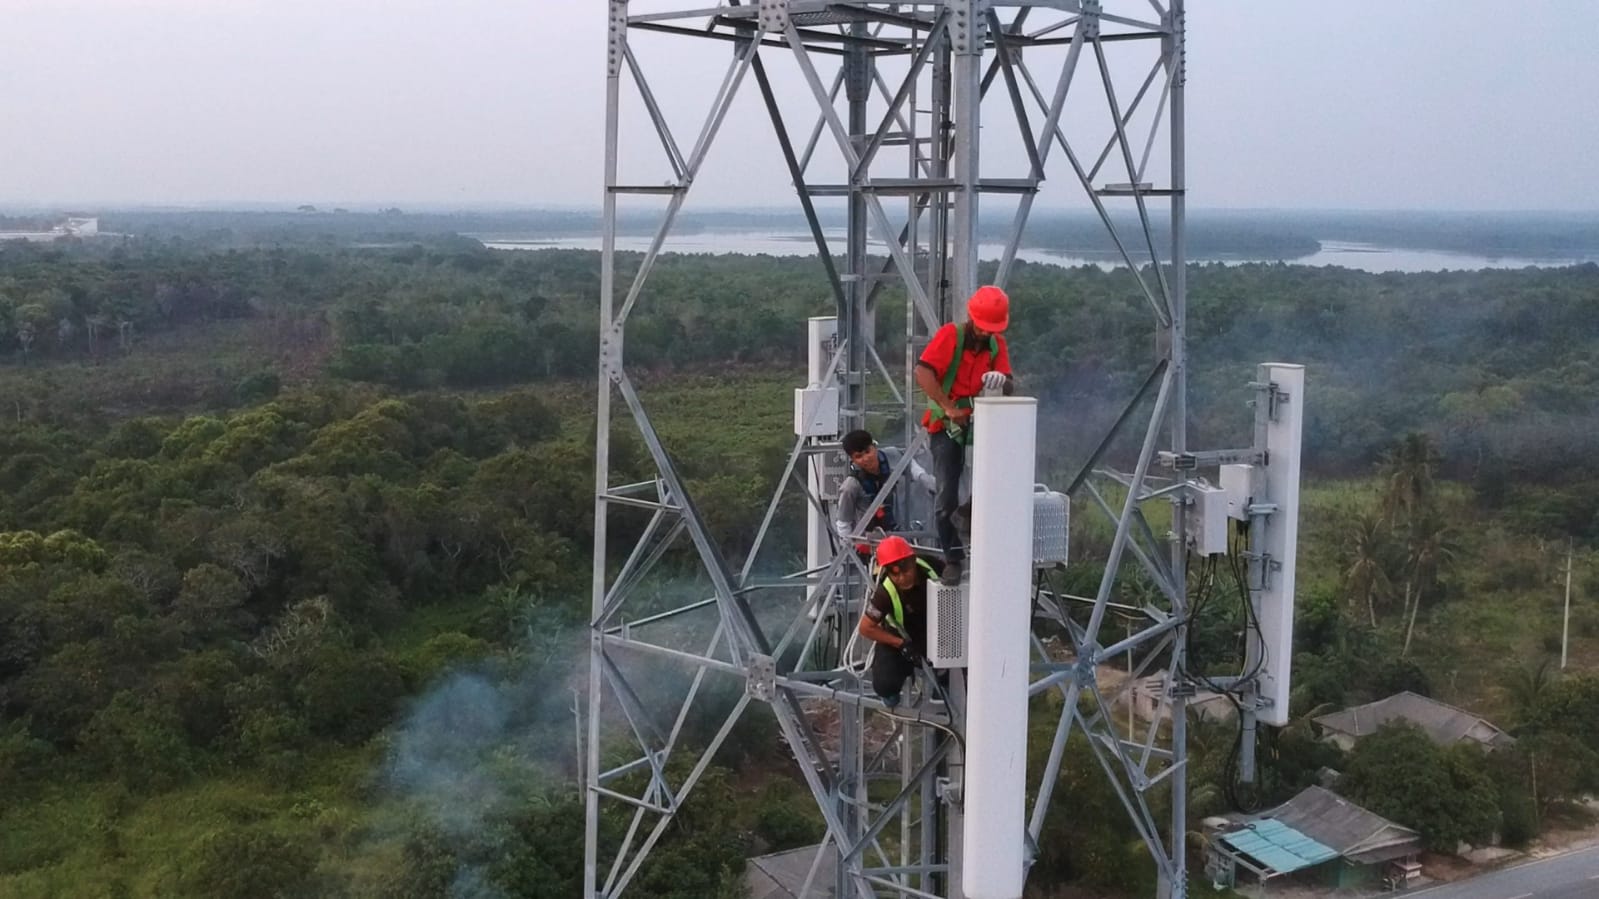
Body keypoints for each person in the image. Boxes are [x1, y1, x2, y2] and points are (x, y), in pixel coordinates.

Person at [914, 285, 1014, 586]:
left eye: (991, 329)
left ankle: (967, 513)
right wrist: (947, 406)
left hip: (980, 421)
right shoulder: (951, 337)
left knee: (997, 477)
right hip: (946, 424)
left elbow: (1009, 384)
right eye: (983, 327)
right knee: (946, 494)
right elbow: (923, 372)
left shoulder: (997, 345)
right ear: (973, 319)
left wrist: (1002, 381)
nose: (985, 333)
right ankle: (953, 558)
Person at [857, 536, 943, 708]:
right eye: (895, 574)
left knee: (956, 674)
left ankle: (943, 692)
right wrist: (900, 644)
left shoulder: (931, 566)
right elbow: (866, 628)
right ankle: (891, 697)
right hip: (903, 637)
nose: (903, 578)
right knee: (884, 683)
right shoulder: (884, 594)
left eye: (907, 571)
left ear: (913, 561)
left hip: (938, 632)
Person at [834, 429, 937, 554]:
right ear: (852, 460)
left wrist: (922, 477)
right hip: (871, 544)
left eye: (868, 451)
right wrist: (851, 550)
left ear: (874, 447)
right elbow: (843, 523)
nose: (866, 458)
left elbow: (909, 463)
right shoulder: (851, 486)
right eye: (859, 456)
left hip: (900, 533)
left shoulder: (891, 455)